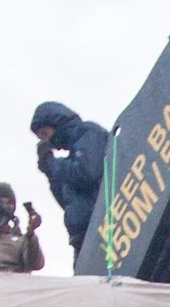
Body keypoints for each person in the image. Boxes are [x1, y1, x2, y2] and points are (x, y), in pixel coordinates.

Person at [31, 102, 110, 259]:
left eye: (45, 134)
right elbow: (67, 203)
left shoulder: (88, 132)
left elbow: (87, 172)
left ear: (56, 123)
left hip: (103, 227)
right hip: (83, 239)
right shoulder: (70, 160)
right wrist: (50, 174)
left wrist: (52, 165)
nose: (47, 141)